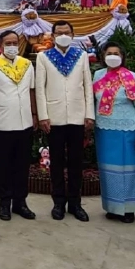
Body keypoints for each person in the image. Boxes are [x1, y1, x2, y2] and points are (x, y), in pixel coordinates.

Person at [35, 20, 94, 221]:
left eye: (66, 32)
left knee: (77, 162)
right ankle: (59, 202)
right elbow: (40, 89)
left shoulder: (82, 55)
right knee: (57, 162)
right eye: (59, 32)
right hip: (54, 117)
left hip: (78, 116)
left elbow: (88, 86)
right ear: (52, 35)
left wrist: (89, 114)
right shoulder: (43, 57)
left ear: (73, 33)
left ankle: (75, 203)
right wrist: (43, 115)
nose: (63, 35)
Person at [92, 42, 135, 223]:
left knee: (129, 169)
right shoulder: (98, 75)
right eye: (109, 53)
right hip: (104, 128)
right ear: (103, 56)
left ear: (122, 56)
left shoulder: (131, 76)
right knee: (109, 170)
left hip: (128, 128)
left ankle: (129, 209)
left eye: (117, 53)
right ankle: (113, 207)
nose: (113, 56)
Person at [0, 30, 36, 221]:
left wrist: (35, 115)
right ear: (1, 44)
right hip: (3, 123)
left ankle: (20, 203)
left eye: (15, 43)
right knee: (3, 166)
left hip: (25, 123)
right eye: (8, 43)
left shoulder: (27, 64)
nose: (12, 46)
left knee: (22, 166)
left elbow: (32, 91)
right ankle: (4, 203)